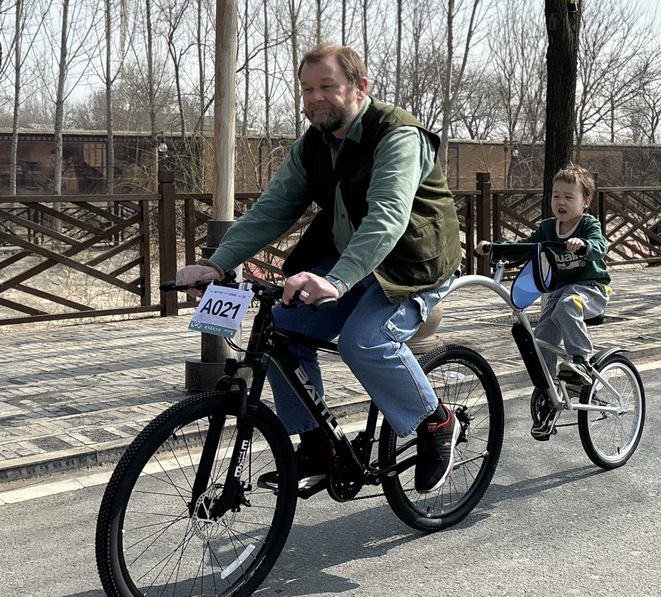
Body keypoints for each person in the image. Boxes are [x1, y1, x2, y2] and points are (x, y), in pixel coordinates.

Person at [175, 43, 463, 495]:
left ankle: (436, 421)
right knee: (284, 327)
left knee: (364, 341)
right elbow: (271, 210)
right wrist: (216, 262)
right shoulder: (314, 146)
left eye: (327, 87)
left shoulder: (397, 136)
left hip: (412, 260)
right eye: (307, 90)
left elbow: (387, 216)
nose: (314, 99)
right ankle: (317, 443)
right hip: (353, 256)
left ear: (360, 88)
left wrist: (334, 280)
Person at [475, 163, 611, 438]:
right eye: (555, 196)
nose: (560, 202)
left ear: (585, 201)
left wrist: (584, 245)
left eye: (568, 197)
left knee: (567, 305)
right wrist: (495, 248)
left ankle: (581, 360)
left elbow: (600, 245)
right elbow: (525, 246)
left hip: (591, 289)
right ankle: (550, 394)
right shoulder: (548, 228)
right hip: (558, 294)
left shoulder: (587, 225)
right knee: (542, 338)